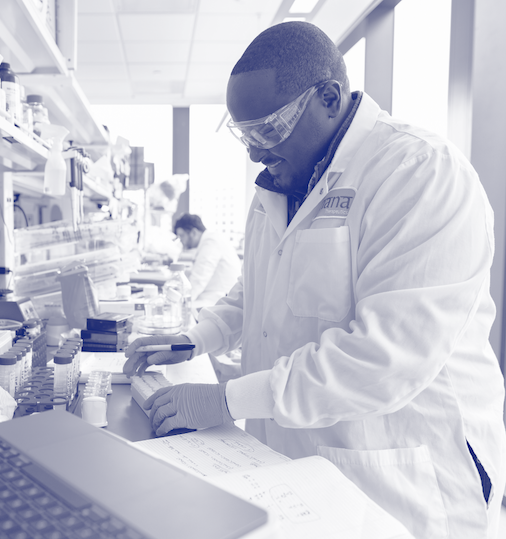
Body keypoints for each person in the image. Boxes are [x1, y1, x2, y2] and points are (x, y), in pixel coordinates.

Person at [123, 21, 506, 538]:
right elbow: (256, 294)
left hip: (400, 477)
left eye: (269, 130)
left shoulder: (418, 175)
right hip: (292, 473)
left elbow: (384, 359)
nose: (256, 152)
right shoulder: (281, 185)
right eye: (245, 135)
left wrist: (226, 400)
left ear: (329, 96)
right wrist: (196, 337)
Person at [173, 213, 242, 309]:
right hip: (212, 295)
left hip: (217, 299)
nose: (181, 240)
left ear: (193, 232)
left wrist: (176, 301)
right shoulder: (210, 240)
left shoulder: (211, 242)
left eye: (182, 235)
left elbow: (199, 279)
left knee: (177, 309)